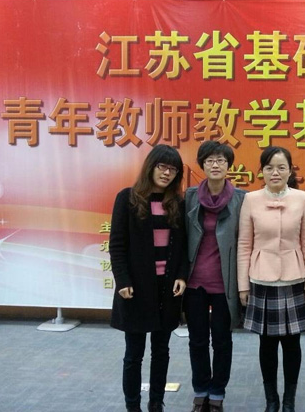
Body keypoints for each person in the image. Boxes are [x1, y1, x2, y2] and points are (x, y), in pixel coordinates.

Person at [237, 146, 305, 412]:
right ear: (261, 171)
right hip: (261, 280)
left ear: (290, 170)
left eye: (281, 167)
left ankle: (289, 400)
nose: (275, 172)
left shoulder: (303, 198)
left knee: (293, 344)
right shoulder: (251, 199)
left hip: (294, 279)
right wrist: (243, 285)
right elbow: (244, 245)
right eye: (269, 167)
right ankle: (271, 399)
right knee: (267, 344)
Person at [109, 144, 188, 412]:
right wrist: (122, 280)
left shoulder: (177, 203)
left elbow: (184, 246)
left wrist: (181, 275)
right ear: (150, 167)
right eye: (162, 167)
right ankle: (133, 406)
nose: (167, 173)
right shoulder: (127, 198)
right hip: (136, 288)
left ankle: (156, 402)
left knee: (161, 351)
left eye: (173, 169)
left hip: (166, 289)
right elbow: (117, 244)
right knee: (134, 354)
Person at [183, 141, 246, 412]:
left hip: (225, 283)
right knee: (197, 340)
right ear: (203, 165)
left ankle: (217, 393)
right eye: (209, 160)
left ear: (229, 165)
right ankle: (200, 391)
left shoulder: (241, 199)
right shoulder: (190, 196)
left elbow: (246, 241)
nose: (215, 165)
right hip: (194, 282)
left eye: (221, 160)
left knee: (222, 340)